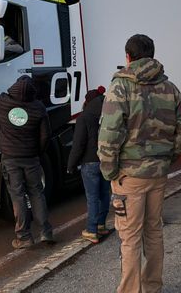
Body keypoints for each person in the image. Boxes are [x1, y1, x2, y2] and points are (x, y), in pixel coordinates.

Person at [98, 34, 181, 293]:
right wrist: (168, 159)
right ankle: (152, 287)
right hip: (158, 174)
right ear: (152, 54)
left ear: (128, 57)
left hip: (129, 175)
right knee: (153, 232)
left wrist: (110, 170)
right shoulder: (170, 88)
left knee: (130, 237)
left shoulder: (121, 86)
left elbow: (109, 133)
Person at [0, 60, 54, 249]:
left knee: (18, 196)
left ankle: (24, 237)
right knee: (37, 193)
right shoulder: (38, 108)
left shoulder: (3, 102)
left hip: (10, 159)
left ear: (14, 88)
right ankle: (45, 232)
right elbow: (46, 136)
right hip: (31, 159)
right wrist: (37, 152)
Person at [67, 85, 111, 244]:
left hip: (90, 162)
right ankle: (101, 225)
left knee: (92, 197)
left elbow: (78, 144)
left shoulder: (84, 117)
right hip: (106, 160)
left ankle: (91, 230)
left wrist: (71, 164)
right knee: (104, 194)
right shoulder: (108, 113)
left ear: (87, 102)